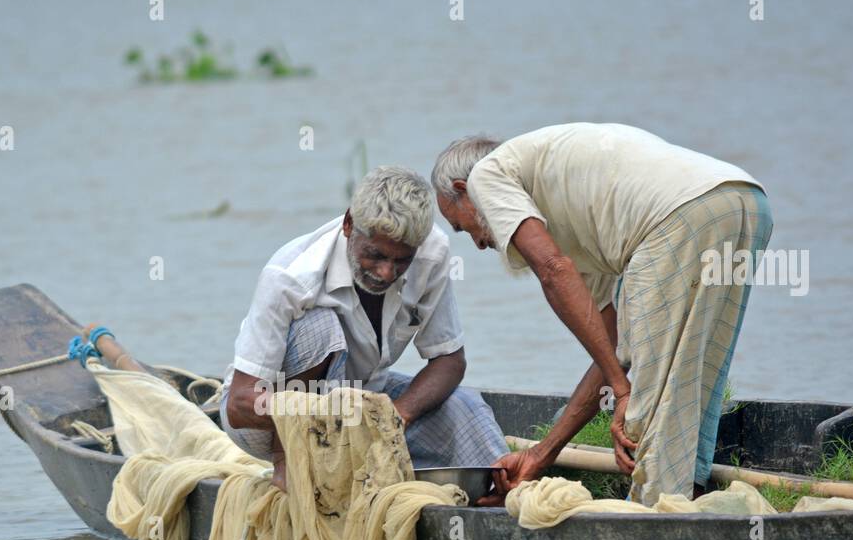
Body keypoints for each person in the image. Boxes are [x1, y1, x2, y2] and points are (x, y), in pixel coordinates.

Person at [432, 124, 773, 504]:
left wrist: (624, 390)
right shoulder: (574, 212)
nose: (479, 245)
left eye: (461, 227)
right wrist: (542, 453)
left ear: (465, 190)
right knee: (692, 377)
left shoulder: (486, 176)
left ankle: (656, 522)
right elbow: (610, 348)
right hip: (742, 201)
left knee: (652, 396)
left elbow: (552, 270)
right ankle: (688, 498)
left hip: (680, 215)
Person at [220, 166, 508, 490]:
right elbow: (241, 404)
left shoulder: (432, 251)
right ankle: (291, 465)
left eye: (401, 261)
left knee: (465, 407)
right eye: (375, 255)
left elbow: (449, 361)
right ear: (348, 225)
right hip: (270, 421)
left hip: (363, 401)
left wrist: (396, 418)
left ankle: (503, 495)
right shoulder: (290, 276)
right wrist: (328, 417)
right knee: (321, 328)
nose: (386, 273)